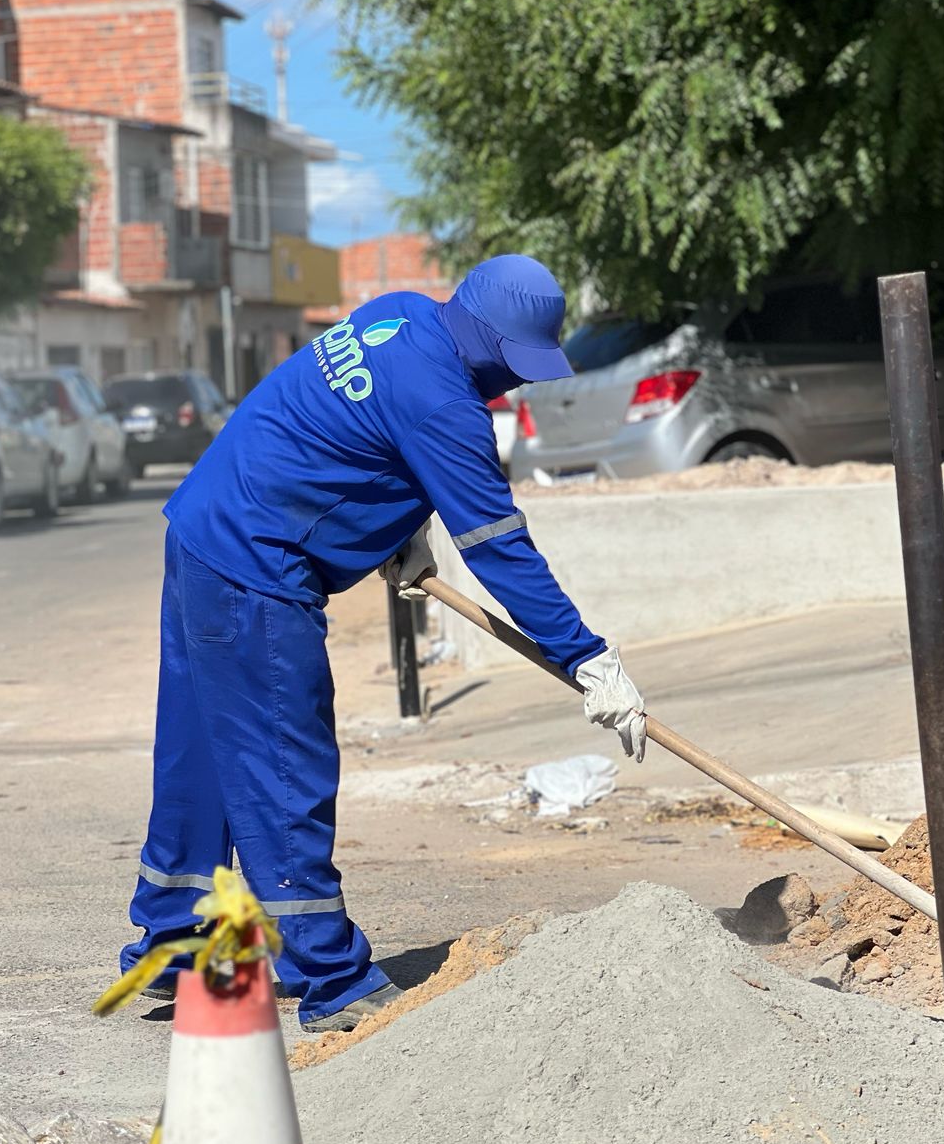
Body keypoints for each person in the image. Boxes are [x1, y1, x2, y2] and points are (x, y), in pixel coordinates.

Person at [123, 255, 648, 1032]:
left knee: (202, 748)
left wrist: (401, 527)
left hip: (203, 530)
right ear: (484, 342)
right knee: (282, 761)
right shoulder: (444, 403)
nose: (519, 383)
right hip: (257, 567)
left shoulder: (399, 313)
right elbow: (500, 545)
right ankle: (332, 979)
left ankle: (175, 937)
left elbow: (355, 434)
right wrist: (584, 656)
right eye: (514, 366)